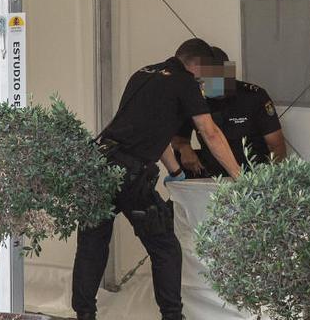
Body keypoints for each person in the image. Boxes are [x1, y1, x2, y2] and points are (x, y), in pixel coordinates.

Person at [72, 38, 242, 320]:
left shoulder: (143, 73)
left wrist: (176, 172)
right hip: (129, 174)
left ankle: (83, 314)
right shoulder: (185, 82)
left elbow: (155, 131)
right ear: (198, 65)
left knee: (92, 244)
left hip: (98, 165)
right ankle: (172, 316)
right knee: (165, 247)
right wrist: (239, 177)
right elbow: (210, 133)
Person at [172, 47, 287, 177]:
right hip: (214, 180)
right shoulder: (196, 99)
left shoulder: (253, 96)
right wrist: (184, 148)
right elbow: (178, 138)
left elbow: (276, 146)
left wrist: (271, 180)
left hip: (252, 176)